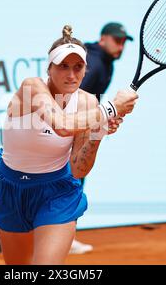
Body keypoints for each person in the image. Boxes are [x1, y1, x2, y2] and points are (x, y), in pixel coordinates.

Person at [0, 25, 138, 265]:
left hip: (57, 191)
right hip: (11, 188)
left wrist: (98, 129)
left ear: (86, 69)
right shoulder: (32, 87)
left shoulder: (88, 102)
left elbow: (78, 169)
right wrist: (109, 110)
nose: (71, 75)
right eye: (63, 66)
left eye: (78, 67)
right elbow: (62, 125)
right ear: (49, 68)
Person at [70, 22, 134, 254]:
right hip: (71, 134)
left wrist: (101, 122)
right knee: (71, 183)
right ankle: (62, 236)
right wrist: (100, 119)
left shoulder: (103, 62)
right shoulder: (95, 64)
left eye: (124, 42)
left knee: (73, 183)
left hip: (78, 130)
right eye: (117, 41)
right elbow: (73, 101)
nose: (121, 46)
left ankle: (63, 235)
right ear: (103, 38)